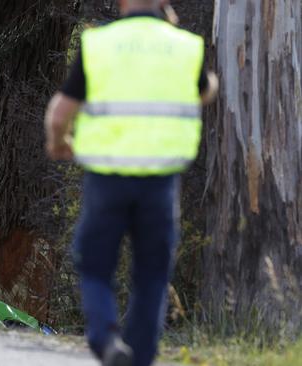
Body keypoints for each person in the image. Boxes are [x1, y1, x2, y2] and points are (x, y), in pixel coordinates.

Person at [44, 1, 218, 365]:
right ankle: (139, 358)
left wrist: (59, 142)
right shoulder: (184, 45)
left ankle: (107, 340)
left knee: (94, 265)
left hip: (107, 180)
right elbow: (204, 91)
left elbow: (61, 112)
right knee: (152, 274)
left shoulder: (99, 44)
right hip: (160, 183)